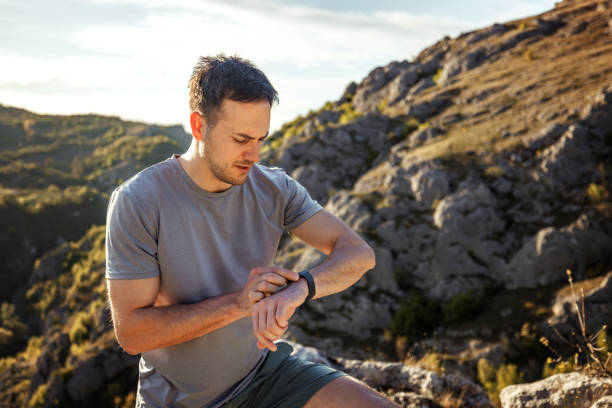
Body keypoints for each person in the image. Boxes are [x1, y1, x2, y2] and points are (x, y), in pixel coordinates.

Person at [105, 54, 399, 408]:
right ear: (199, 127)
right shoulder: (138, 200)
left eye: (261, 138)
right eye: (242, 139)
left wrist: (299, 289)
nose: (254, 154)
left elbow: (358, 254)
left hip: (265, 378)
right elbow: (133, 334)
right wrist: (238, 304)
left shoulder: (275, 188)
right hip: (178, 400)